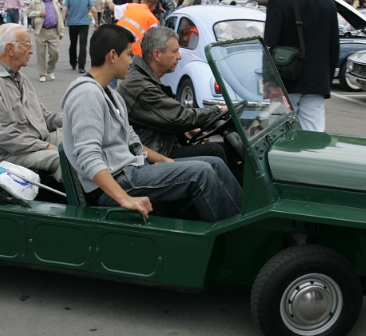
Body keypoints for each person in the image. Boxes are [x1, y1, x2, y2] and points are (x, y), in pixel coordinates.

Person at [60, 24, 242, 222]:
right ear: (113, 56)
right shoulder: (87, 93)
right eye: (129, 55)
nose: (132, 61)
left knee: (212, 162)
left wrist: (167, 162)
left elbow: (132, 142)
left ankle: (244, 219)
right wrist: (124, 199)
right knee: (202, 172)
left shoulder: (110, 94)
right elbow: (88, 156)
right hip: (119, 179)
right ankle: (234, 236)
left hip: (131, 170)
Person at [116, 26, 241, 180]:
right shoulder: (141, 86)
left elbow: (162, 116)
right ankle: (238, 202)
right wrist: (219, 110)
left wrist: (186, 131)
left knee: (223, 149)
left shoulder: (144, 79)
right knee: (216, 152)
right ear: (157, 55)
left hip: (160, 146)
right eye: (174, 51)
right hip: (152, 157)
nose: (179, 57)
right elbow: (179, 117)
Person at [0, 23, 64, 181]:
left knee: (84, 141)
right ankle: (84, 200)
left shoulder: (19, 77)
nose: (31, 50)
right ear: (10, 49)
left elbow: (44, 117)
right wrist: (45, 146)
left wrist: (76, 118)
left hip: (35, 142)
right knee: (65, 158)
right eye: (27, 45)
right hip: (11, 153)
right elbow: (4, 136)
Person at [264, 0, 339, 132]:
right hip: (316, 83)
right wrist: (324, 81)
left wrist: (270, 84)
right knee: (313, 137)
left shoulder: (279, 1)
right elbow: (333, 48)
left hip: (284, 83)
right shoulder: (328, 3)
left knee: (280, 136)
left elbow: (269, 46)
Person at [28, 0, 65, 82]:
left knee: (55, 52)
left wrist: (61, 31)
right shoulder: (36, 1)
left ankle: (50, 70)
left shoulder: (55, 1)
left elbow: (59, 17)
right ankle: (42, 74)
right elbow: (28, 12)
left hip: (53, 30)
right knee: (41, 54)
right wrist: (39, 13)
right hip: (41, 30)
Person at [62, 0, 96, 73]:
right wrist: (96, 21)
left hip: (72, 23)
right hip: (84, 23)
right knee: (83, 45)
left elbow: (64, 9)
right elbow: (93, 9)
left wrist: (62, 21)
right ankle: (81, 66)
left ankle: (73, 63)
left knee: (73, 43)